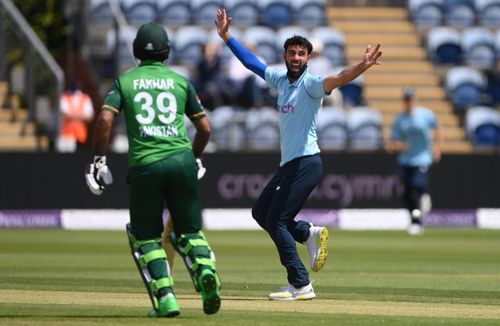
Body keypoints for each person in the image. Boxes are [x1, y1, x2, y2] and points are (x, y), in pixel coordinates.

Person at [215, 9, 382, 300]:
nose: (296, 57)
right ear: (285, 56)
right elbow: (251, 62)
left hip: (306, 162)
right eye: (291, 52)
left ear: (308, 58)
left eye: (301, 53)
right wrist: (227, 36)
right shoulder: (280, 80)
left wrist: (362, 66)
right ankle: (307, 234)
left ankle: (301, 284)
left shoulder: (311, 85)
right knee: (261, 213)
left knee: (278, 221)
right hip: (290, 164)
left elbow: (340, 77)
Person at [85, 23, 221, 317]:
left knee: (145, 236)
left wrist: (98, 160)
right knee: (189, 232)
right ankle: (206, 271)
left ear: (136, 50)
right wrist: (192, 157)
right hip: (182, 160)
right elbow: (205, 129)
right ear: (167, 52)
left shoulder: (125, 81)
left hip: (146, 165)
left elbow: (106, 121)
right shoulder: (179, 81)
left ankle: (166, 299)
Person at [386, 87, 443, 235]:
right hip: (405, 160)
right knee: (407, 194)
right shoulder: (400, 119)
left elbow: (438, 128)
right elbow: (392, 142)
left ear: (415, 99)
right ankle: (415, 221)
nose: (409, 102)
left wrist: (437, 147)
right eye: (406, 99)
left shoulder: (425, 115)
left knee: (418, 184)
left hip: (422, 157)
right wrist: (399, 146)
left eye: (411, 98)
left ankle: (424, 195)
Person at [58, 81, 94, 152]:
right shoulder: (64, 97)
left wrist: (73, 116)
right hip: (67, 136)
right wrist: (80, 116)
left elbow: (89, 117)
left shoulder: (85, 98)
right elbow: (64, 115)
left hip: (81, 137)